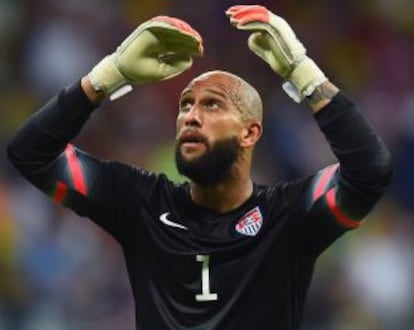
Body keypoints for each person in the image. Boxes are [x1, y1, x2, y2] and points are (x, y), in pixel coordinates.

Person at [7, 5, 393, 330]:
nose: (190, 116)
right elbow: (31, 153)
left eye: (212, 105)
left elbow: (369, 171)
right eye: (185, 105)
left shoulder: (288, 214)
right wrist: (108, 75)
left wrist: (303, 73)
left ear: (249, 132)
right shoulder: (140, 202)